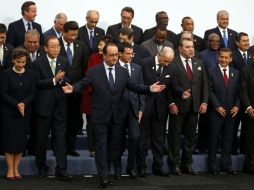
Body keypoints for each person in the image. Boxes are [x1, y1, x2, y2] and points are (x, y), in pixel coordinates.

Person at [62, 43, 165, 188]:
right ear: (104, 55)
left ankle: (107, 171)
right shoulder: (94, 71)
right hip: (100, 116)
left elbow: (133, 86)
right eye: (111, 55)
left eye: (116, 55)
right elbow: (83, 84)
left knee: (113, 147)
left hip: (117, 116)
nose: (114, 57)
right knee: (101, 147)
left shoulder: (123, 72)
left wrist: (149, 88)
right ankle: (103, 176)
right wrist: (73, 88)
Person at [136, 46, 189, 177]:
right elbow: (138, 84)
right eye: (165, 61)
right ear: (159, 55)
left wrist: (181, 92)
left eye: (169, 62)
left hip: (160, 109)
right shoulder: (144, 63)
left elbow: (173, 84)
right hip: (146, 107)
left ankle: (158, 167)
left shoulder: (171, 67)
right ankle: (141, 167)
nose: (167, 64)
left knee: (159, 140)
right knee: (143, 140)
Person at [168, 38, 208, 175]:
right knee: (175, 137)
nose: (192, 49)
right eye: (188, 47)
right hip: (177, 107)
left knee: (190, 137)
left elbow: (205, 85)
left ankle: (187, 164)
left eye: (192, 47)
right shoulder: (173, 62)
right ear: (180, 48)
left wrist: (204, 102)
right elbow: (167, 86)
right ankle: (174, 164)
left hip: (194, 106)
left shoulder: (199, 62)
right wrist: (171, 102)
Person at [33, 36, 70, 181]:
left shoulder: (64, 61)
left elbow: (68, 79)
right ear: (45, 48)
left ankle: (61, 169)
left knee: (60, 139)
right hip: (43, 107)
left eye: (58, 46)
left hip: (60, 106)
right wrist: (54, 80)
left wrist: (63, 80)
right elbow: (36, 83)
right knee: (41, 139)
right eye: (53, 46)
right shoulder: (37, 63)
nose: (56, 49)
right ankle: (41, 167)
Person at [1, 47, 36, 180]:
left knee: (21, 142)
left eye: (23, 62)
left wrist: (24, 104)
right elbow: (3, 93)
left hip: (24, 113)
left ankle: (17, 169)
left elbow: (33, 92)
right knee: (10, 142)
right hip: (9, 113)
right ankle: (10, 169)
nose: (21, 65)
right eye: (18, 62)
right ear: (13, 61)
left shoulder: (31, 74)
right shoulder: (6, 74)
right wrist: (16, 104)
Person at [113, 42, 145, 179]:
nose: (131, 56)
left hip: (133, 109)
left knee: (134, 138)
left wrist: (141, 108)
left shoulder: (137, 68)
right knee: (117, 141)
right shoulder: (113, 68)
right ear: (120, 54)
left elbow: (141, 88)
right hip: (117, 110)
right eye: (128, 53)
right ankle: (117, 169)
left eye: (132, 53)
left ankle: (131, 167)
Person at [80, 34, 114, 157]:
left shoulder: (113, 60)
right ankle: (92, 149)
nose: (99, 46)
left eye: (101, 45)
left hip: (106, 100)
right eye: (98, 44)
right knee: (91, 124)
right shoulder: (94, 57)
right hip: (91, 96)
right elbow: (88, 76)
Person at [207, 48, 239, 175]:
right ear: (218, 57)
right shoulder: (211, 72)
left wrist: (237, 105)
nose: (224, 60)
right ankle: (213, 166)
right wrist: (217, 106)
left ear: (230, 59)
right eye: (222, 57)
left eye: (226, 57)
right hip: (216, 112)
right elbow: (209, 91)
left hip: (231, 112)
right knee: (213, 140)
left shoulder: (236, 73)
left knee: (228, 140)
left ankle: (227, 166)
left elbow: (239, 92)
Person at [58, 21, 88, 157]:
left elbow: (85, 69)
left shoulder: (81, 46)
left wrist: (80, 87)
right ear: (63, 32)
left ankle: (70, 147)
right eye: (70, 35)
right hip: (59, 91)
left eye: (75, 35)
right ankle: (59, 148)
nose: (73, 37)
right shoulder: (55, 44)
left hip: (75, 91)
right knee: (59, 121)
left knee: (73, 121)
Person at [240, 54, 254, 174]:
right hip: (251, 111)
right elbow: (243, 91)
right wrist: (248, 107)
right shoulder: (246, 70)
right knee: (251, 140)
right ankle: (250, 166)